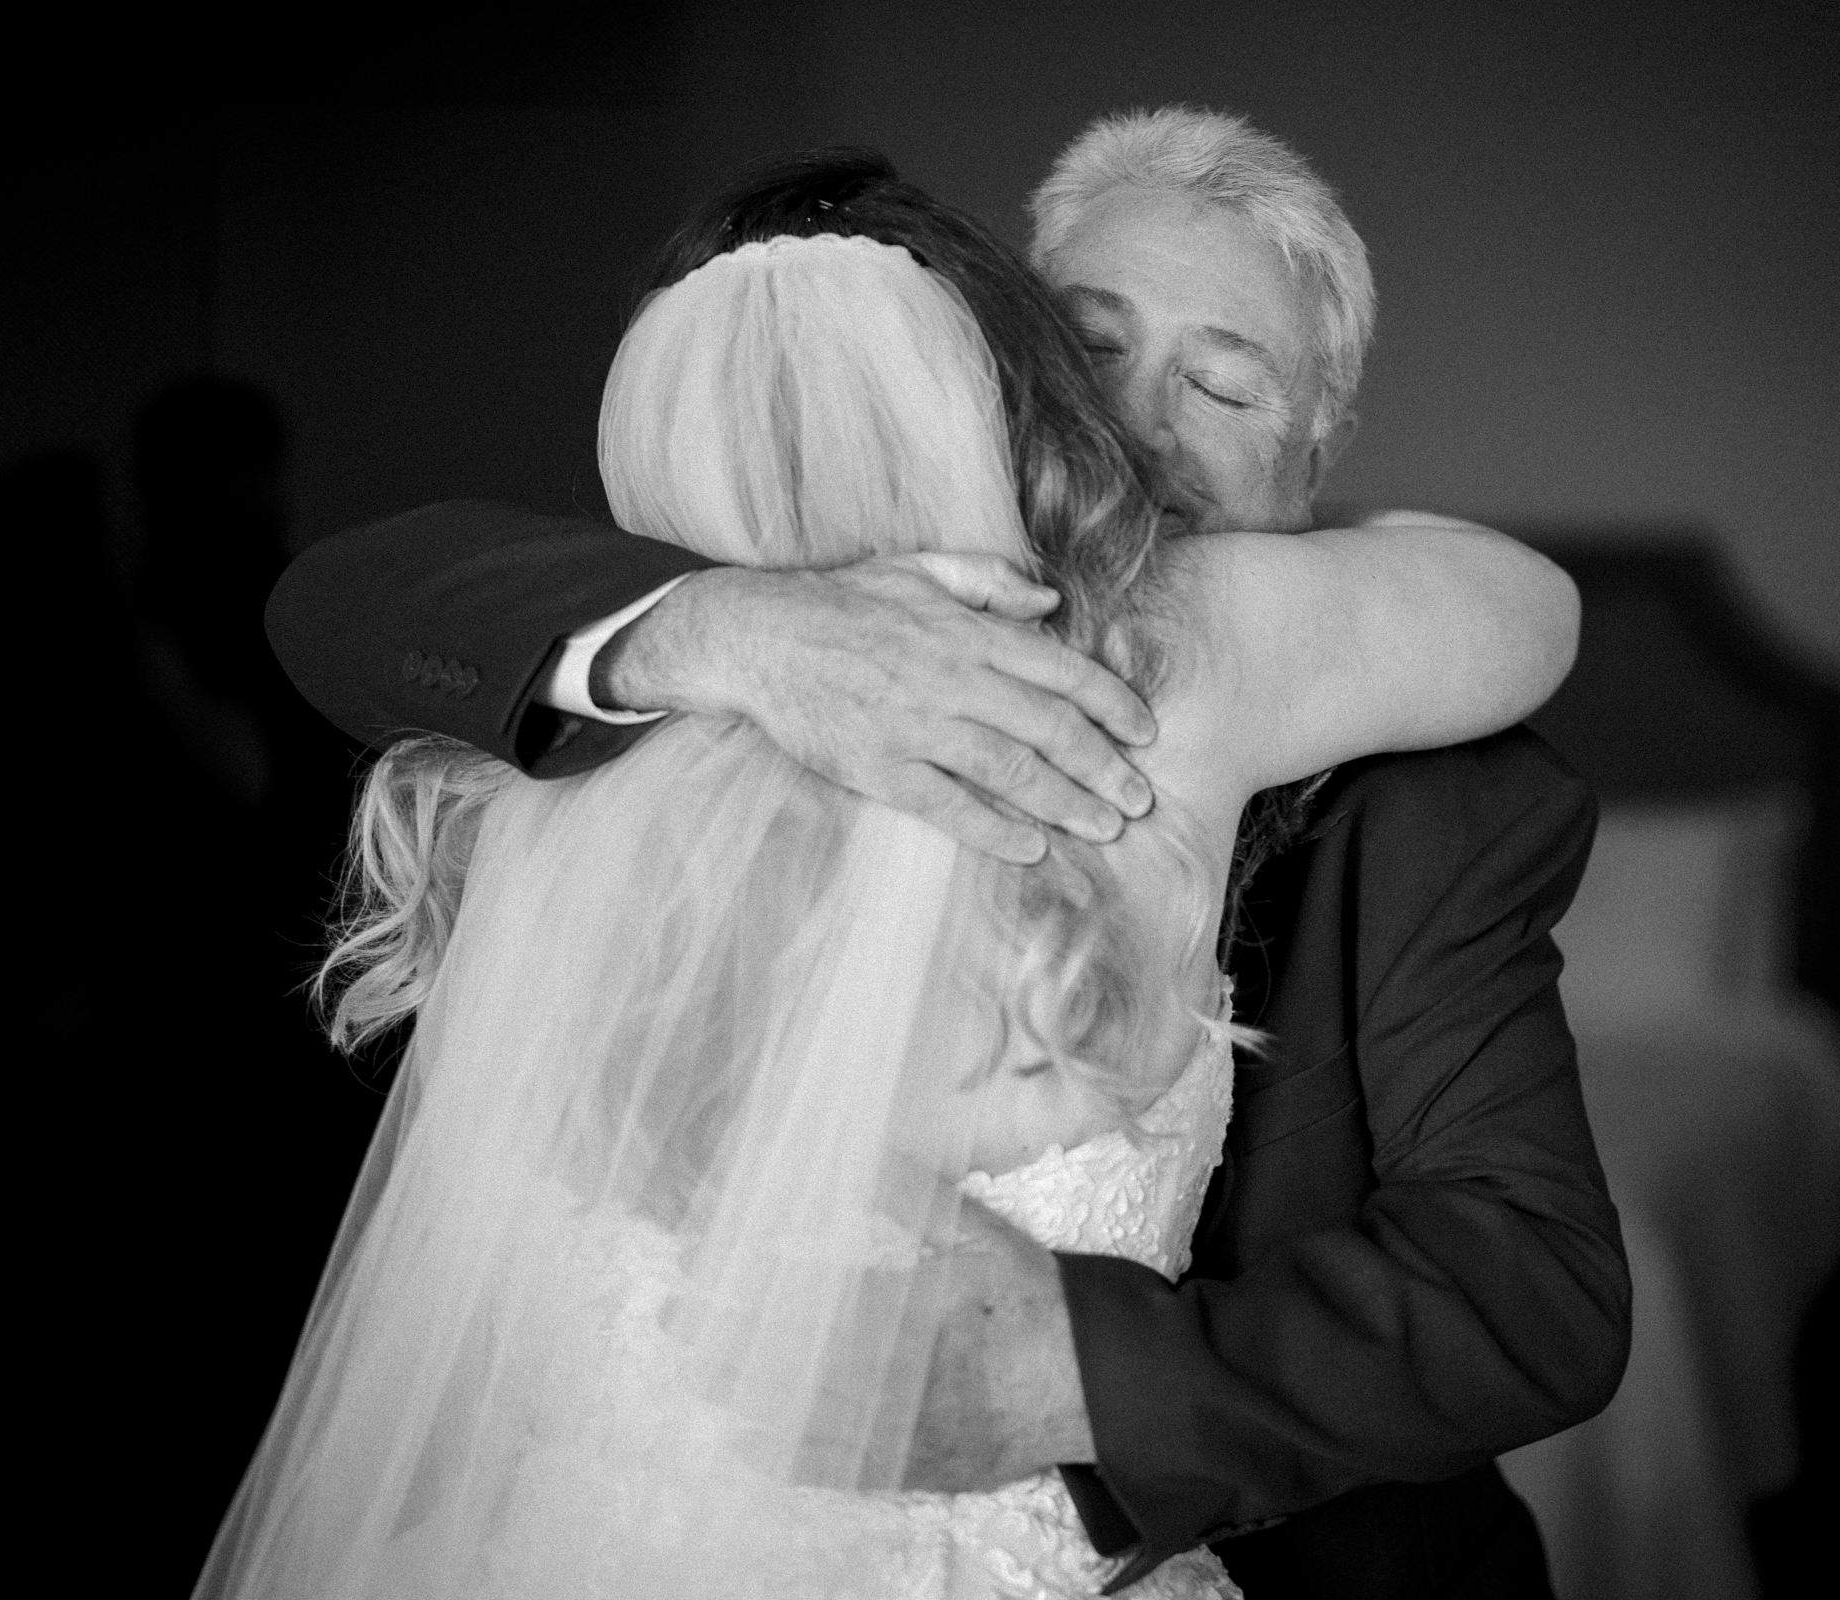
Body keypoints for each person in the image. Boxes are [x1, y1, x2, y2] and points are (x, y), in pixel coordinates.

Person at [263, 111, 1630, 1599]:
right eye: (1089, 348)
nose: (1147, 428)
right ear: (983, 369)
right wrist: (735, 638)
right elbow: (342, 598)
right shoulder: (745, 635)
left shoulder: (1437, 782)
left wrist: (1080, 1378)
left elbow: (1535, 1294)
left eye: (1225, 382)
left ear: (1318, 451)